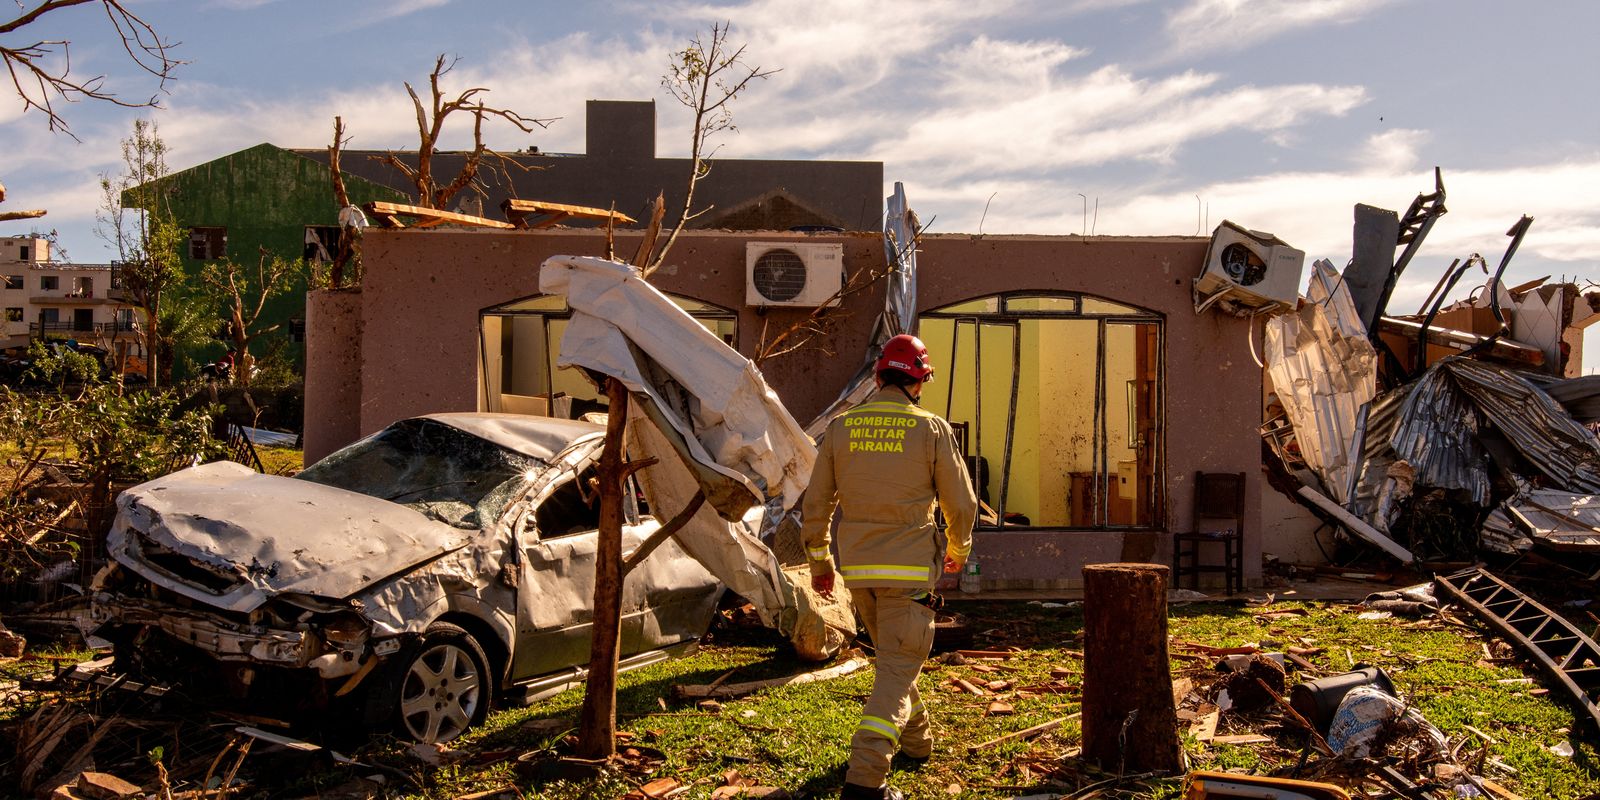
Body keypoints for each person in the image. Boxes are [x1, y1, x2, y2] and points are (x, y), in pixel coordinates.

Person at [801, 333, 978, 800]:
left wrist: (820, 563)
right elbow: (961, 504)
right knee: (897, 668)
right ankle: (866, 779)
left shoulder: (841, 428)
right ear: (918, 382)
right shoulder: (931, 429)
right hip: (910, 572)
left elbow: (816, 505)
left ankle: (918, 743)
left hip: (860, 571)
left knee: (894, 662)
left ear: (879, 378)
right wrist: (959, 550)